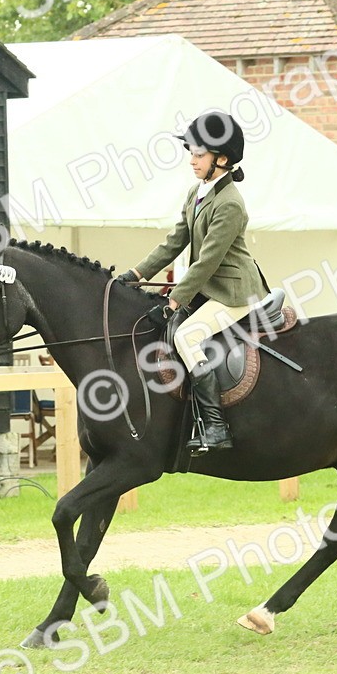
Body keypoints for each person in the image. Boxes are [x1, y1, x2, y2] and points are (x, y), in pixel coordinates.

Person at [116, 112, 268, 454]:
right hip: (208, 288)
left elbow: (207, 261)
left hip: (233, 292)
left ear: (222, 159)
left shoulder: (230, 203)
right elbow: (174, 243)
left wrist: (174, 301)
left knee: (187, 336)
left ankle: (216, 427)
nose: (192, 160)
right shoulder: (197, 192)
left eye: (198, 154)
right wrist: (136, 275)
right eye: (191, 153)